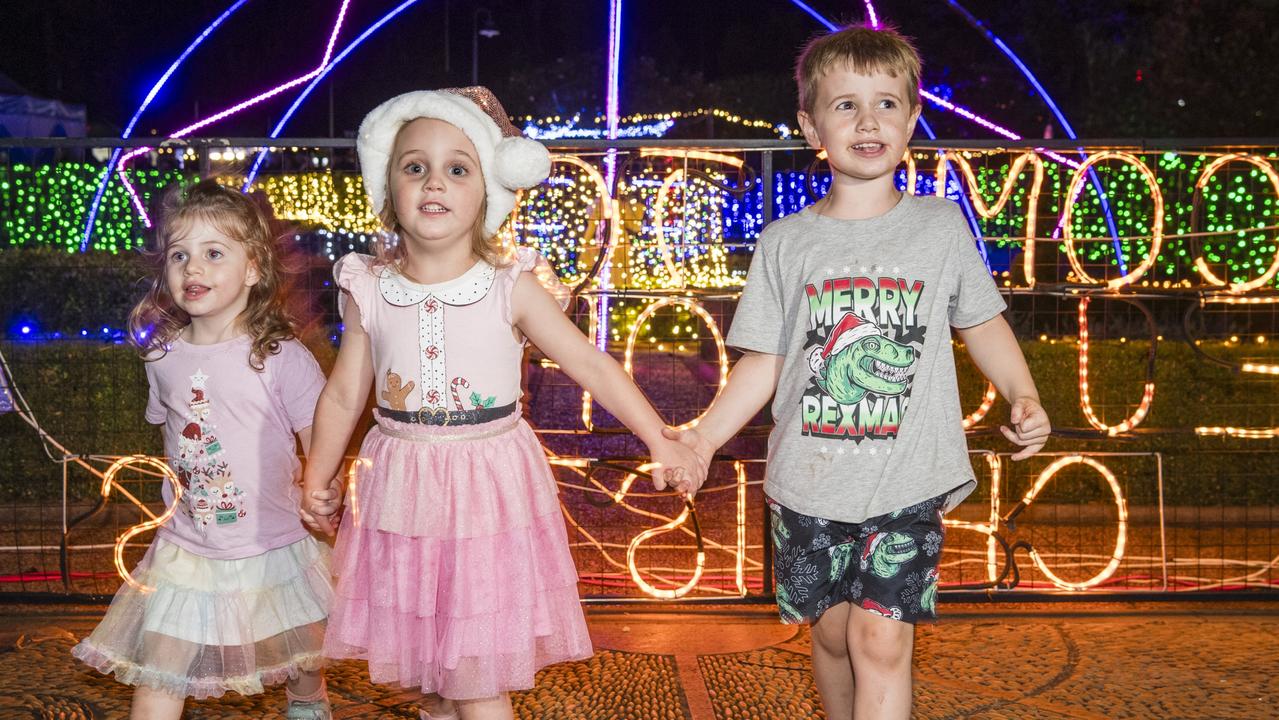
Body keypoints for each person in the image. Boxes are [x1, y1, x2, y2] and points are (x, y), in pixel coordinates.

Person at [663, 24, 1052, 720]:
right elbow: (764, 361)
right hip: (806, 484)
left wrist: (1021, 393)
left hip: (907, 478)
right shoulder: (785, 243)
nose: (867, 121)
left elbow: (982, 321)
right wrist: (701, 439)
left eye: (886, 104)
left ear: (910, 119)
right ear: (810, 125)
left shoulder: (939, 227)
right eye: (844, 105)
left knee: (879, 640)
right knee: (837, 633)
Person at [300, 86, 704, 720]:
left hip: (485, 487)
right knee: (431, 667)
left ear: (489, 191)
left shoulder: (509, 287)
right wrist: (316, 476)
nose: (435, 182)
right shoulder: (368, 287)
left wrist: (661, 437)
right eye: (415, 167)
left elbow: (591, 363)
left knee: (474, 672)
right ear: (389, 190)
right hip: (401, 485)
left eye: (458, 168)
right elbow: (346, 392)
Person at [72, 180, 333, 719]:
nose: (194, 269)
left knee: (305, 651)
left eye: (214, 253)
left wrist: (320, 492)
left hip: (273, 542)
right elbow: (172, 431)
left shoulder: (281, 357)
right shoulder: (161, 356)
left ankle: (308, 700)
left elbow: (319, 442)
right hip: (185, 548)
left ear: (254, 269)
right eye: (180, 255)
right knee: (160, 671)